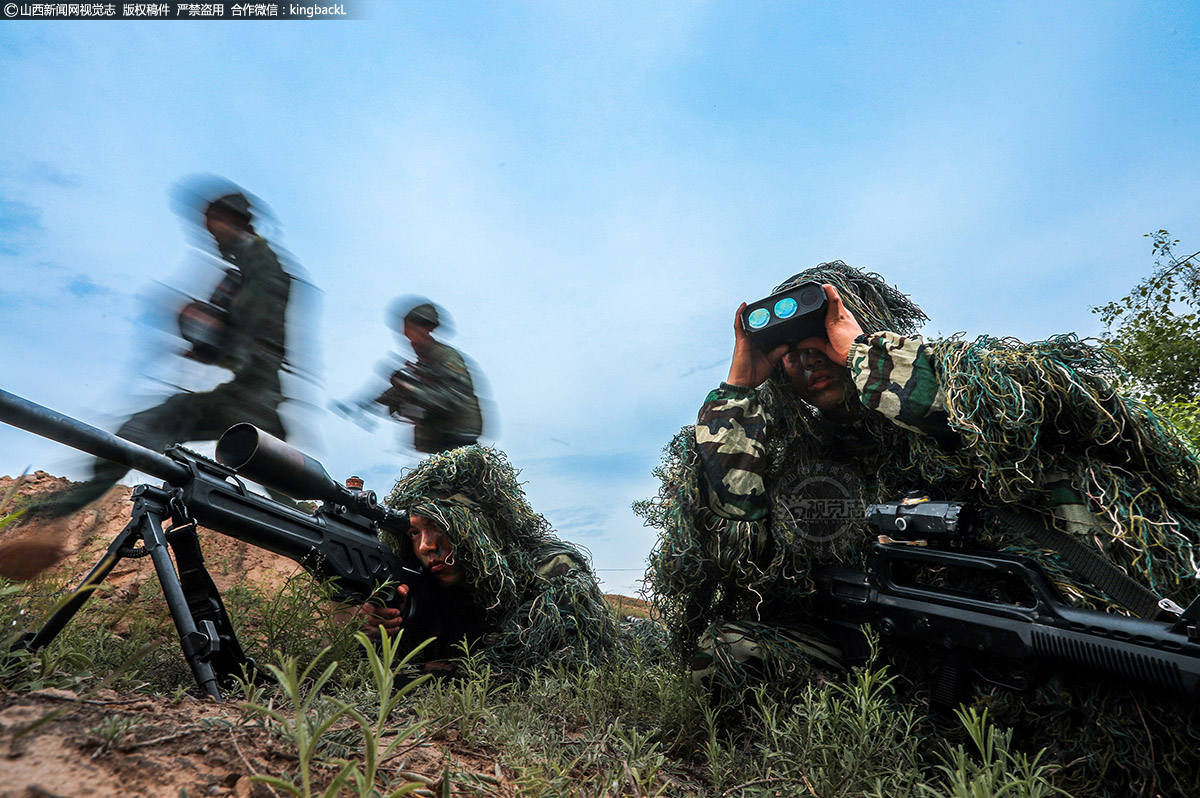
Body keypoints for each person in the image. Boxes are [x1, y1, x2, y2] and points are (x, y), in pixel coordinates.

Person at [641, 260, 1200, 795]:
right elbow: (731, 543)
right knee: (728, 651)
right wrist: (739, 388)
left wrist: (866, 357)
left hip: (1042, 638)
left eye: (819, 340)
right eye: (787, 354)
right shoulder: (802, 459)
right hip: (887, 665)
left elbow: (1058, 405)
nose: (806, 362)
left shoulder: (957, 386)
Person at [20, 189, 293, 522]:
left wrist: (207, 326)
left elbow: (253, 332)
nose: (211, 235)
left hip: (252, 397)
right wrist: (205, 337)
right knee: (280, 484)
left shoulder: (260, 267)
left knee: (139, 431)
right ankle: (47, 520)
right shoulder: (245, 270)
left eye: (214, 225)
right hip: (252, 397)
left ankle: (46, 519)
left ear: (230, 220)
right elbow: (233, 336)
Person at [355, 445, 619, 674]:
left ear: (477, 528)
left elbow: (568, 659)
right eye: (414, 533)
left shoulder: (551, 570)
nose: (426, 546)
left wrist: (466, 670)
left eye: (440, 525)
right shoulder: (423, 587)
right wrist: (378, 627)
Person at [370, 301, 483, 454]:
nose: (411, 340)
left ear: (427, 328)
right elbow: (415, 390)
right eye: (408, 335)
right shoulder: (424, 364)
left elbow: (452, 401)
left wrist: (408, 387)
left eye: (413, 332)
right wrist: (384, 398)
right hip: (440, 445)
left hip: (459, 441)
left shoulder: (446, 358)